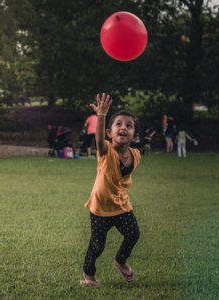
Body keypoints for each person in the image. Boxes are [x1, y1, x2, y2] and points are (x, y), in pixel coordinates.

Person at [81, 93, 141, 287]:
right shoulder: (105, 151)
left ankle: (120, 261)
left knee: (133, 234)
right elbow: (98, 142)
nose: (124, 128)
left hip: (121, 205)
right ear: (109, 132)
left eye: (129, 126)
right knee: (97, 246)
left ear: (134, 134)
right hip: (100, 208)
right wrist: (101, 115)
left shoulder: (135, 155)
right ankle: (89, 276)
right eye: (119, 125)